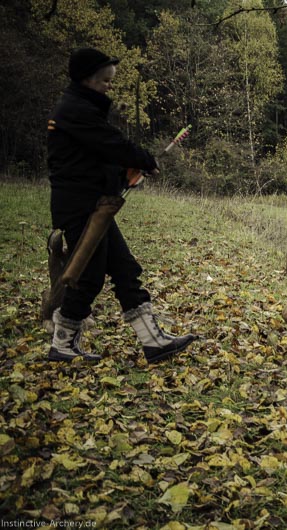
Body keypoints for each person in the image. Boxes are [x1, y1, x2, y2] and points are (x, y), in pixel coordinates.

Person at [47, 47, 196, 363]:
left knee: (125, 269)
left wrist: (124, 174)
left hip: (93, 204)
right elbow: (110, 144)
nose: (108, 88)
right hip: (80, 207)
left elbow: (96, 158)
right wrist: (143, 160)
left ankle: (153, 341)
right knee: (87, 277)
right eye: (105, 82)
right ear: (87, 79)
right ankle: (61, 344)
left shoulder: (82, 109)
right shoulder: (75, 110)